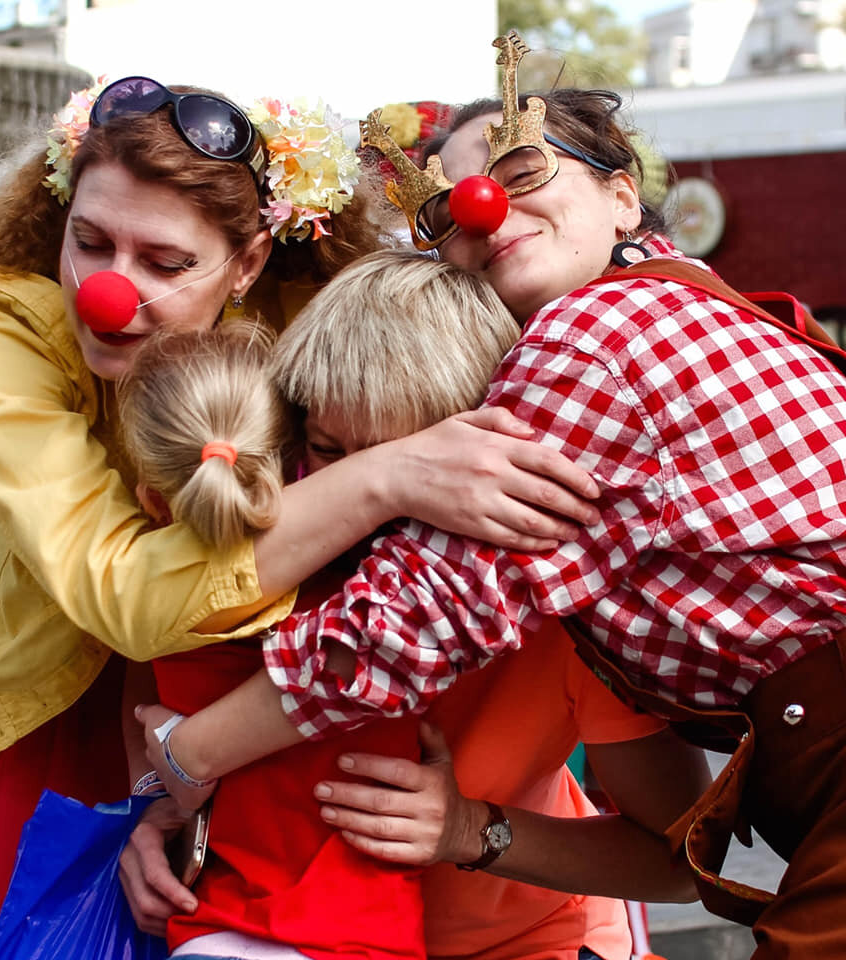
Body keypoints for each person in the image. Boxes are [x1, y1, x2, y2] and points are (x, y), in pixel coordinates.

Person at [135, 34, 846, 960]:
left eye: (523, 166)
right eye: (448, 213)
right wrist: (175, 815)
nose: (484, 206)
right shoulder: (686, 305)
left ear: (621, 194)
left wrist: (184, 761)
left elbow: (416, 612)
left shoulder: (597, 334)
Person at [0, 72, 602, 960]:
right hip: (29, 646)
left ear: (250, 262)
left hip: (210, 670)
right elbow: (115, 594)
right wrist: (389, 477)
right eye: (89, 241)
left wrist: (178, 786)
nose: (108, 291)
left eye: (165, 262)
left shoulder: (304, 312)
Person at [128, 251, 710, 960]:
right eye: (328, 451)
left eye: (412, 464)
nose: (364, 497)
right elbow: (159, 719)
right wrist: (155, 819)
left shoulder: (565, 609)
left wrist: (471, 831)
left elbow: (683, 862)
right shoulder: (259, 559)